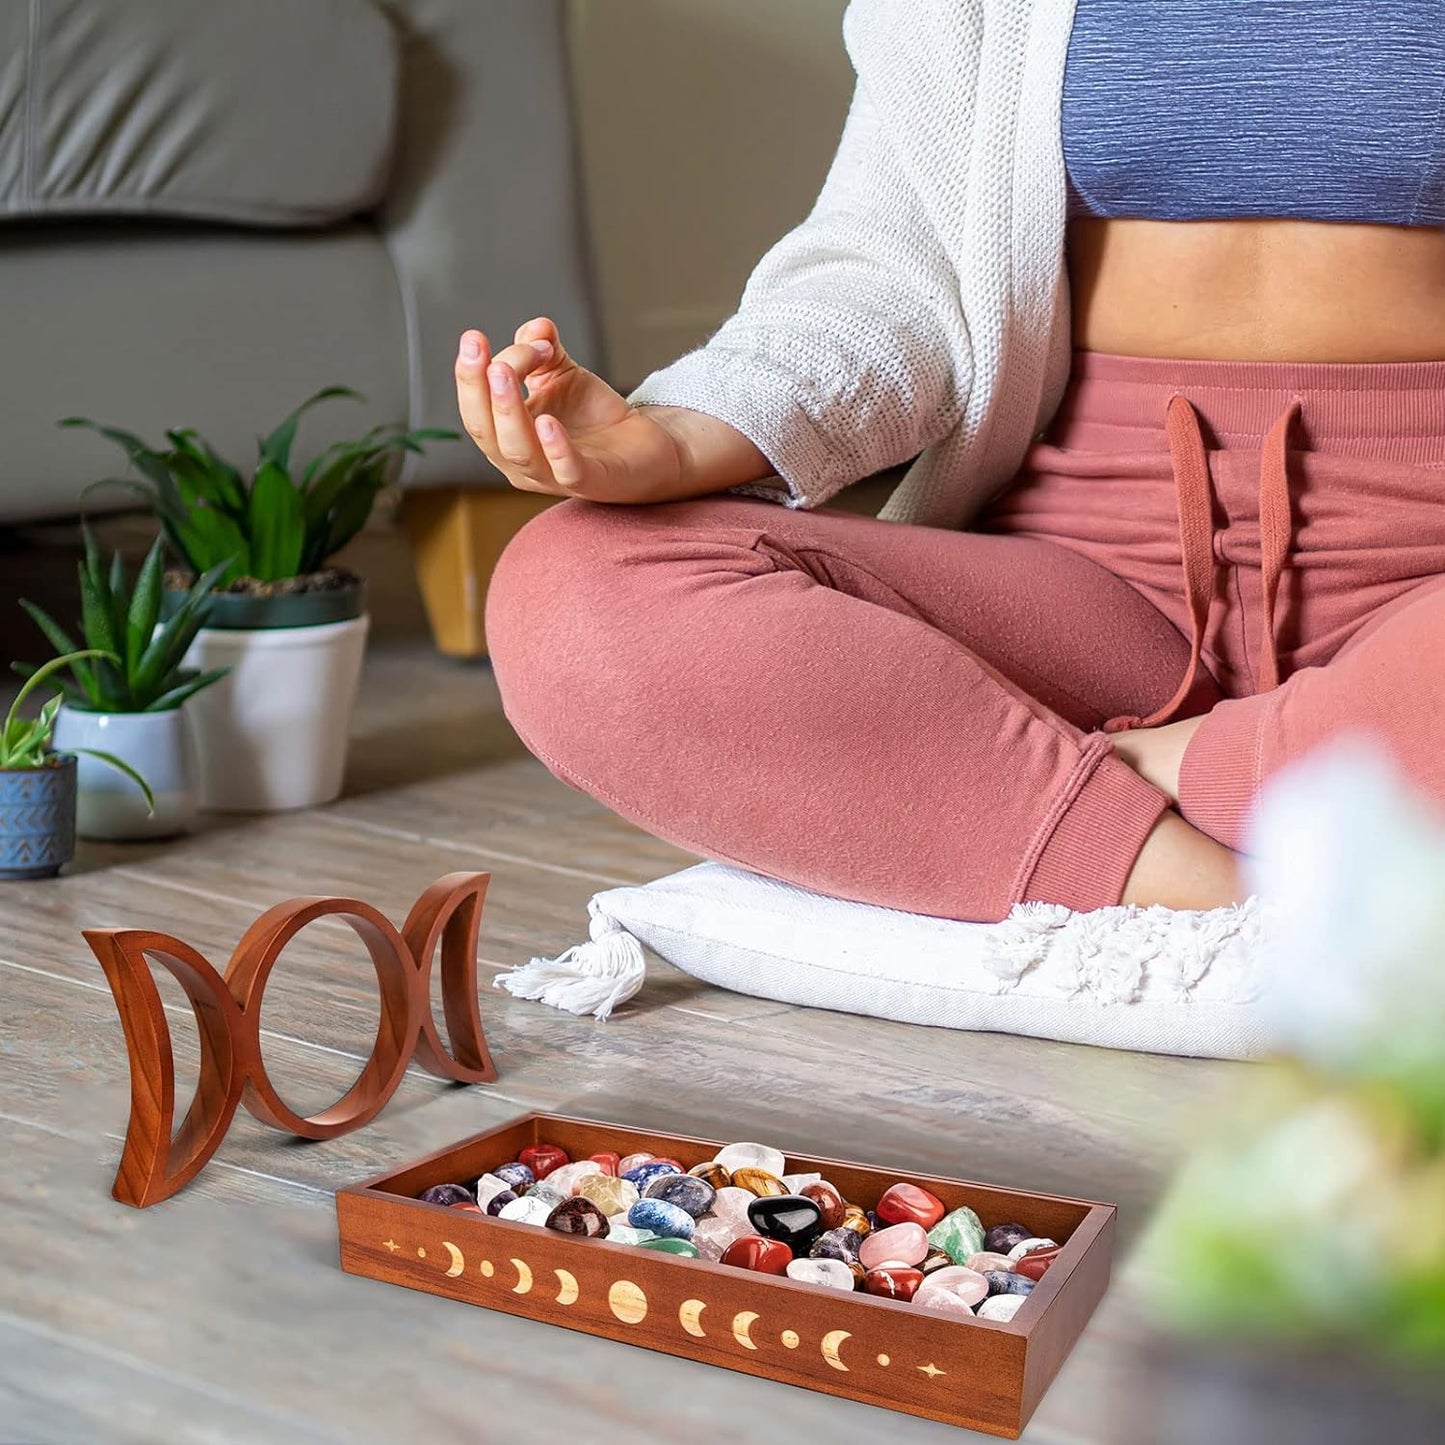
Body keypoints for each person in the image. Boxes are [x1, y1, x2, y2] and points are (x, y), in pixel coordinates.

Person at [456, 0, 1445, 925]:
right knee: (568, 588)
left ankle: (1168, 777)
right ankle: (1204, 887)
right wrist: (678, 436)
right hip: (1101, 596)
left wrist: (1214, 754)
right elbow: (897, 266)